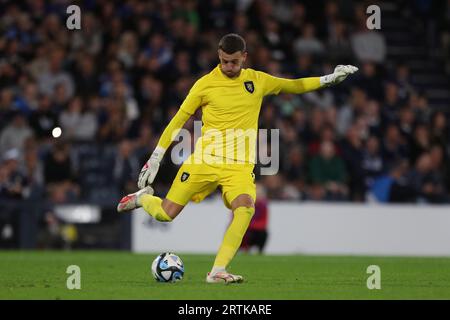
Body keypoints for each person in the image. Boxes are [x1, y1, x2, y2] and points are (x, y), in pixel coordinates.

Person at [117, 34, 358, 283]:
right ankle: (144, 199)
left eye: (233, 62)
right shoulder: (204, 84)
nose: (228, 67)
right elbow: (178, 120)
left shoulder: (258, 80)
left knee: (245, 208)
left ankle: (217, 271)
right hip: (204, 160)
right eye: (223, 61)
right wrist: (156, 155)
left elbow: (294, 85)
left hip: (239, 167)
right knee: (166, 214)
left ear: (244, 57)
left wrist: (329, 79)